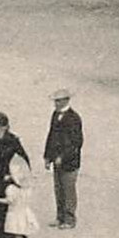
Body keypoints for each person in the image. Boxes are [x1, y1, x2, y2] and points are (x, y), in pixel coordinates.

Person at [44, 89, 82, 229]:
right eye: (55, 101)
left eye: (59, 101)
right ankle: (60, 217)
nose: (56, 103)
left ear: (66, 100)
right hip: (57, 160)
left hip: (70, 161)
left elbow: (76, 143)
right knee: (58, 188)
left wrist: (63, 157)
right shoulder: (55, 115)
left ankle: (70, 219)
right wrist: (47, 156)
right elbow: (51, 136)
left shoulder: (74, 118)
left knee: (68, 189)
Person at [0, 156, 38, 238]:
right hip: (24, 211)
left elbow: (9, 201)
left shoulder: (11, 189)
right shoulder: (28, 189)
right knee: (20, 230)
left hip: (14, 213)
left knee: (15, 233)